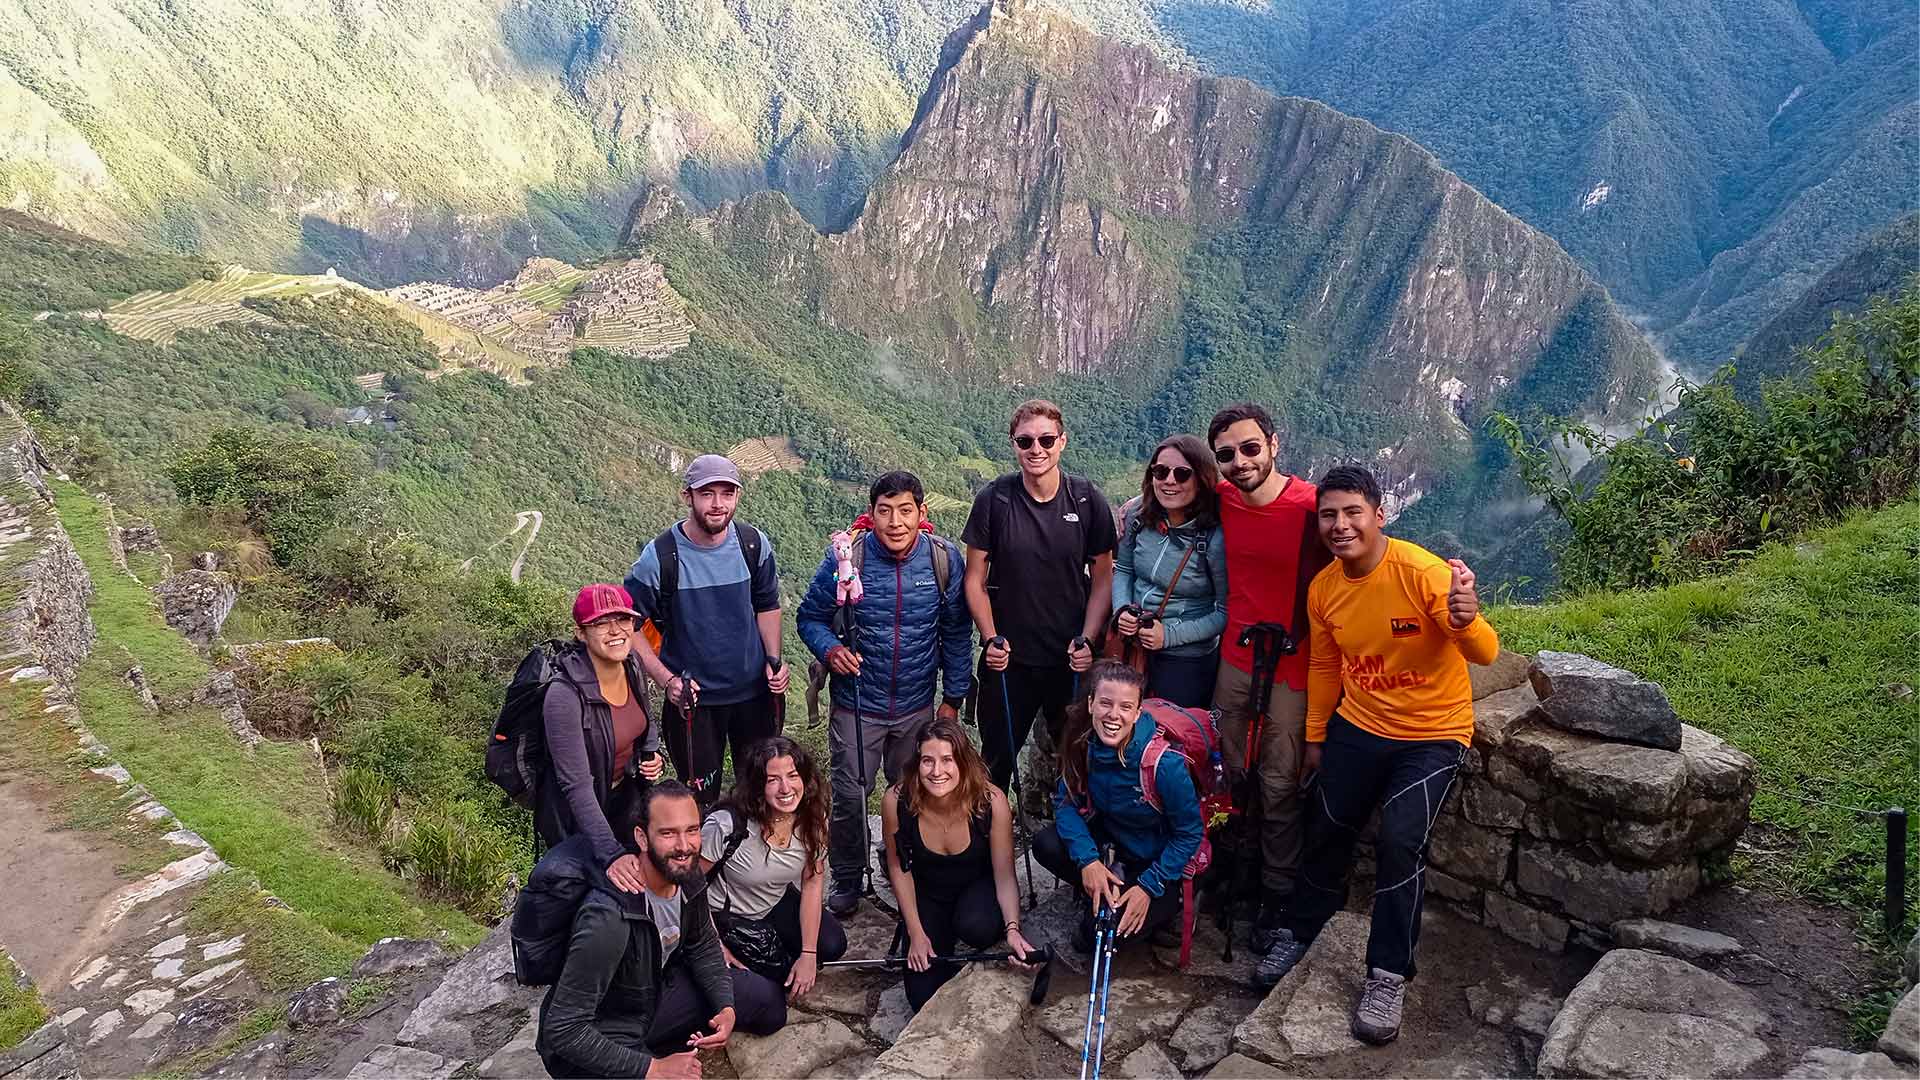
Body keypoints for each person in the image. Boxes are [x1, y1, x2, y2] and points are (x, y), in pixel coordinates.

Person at [1256, 465, 1497, 1043]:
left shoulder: (1420, 572)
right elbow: (1325, 665)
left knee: (1400, 841)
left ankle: (1388, 973)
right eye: (1328, 515)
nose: (1339, 526)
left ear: (1379, 514)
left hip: (1432, 733)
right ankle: (1301, 928)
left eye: (1351, 513)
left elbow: (1485, 652)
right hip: (1359, 724)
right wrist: (1316, 738)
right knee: (1326, 826)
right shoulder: (1326, 590)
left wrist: (1466, 619)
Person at [796, 470, 973, 916]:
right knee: (851, 795)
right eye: (885, 510)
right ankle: (850, 878)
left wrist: (952, 698)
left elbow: (955, 632)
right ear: (871, 514)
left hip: (916, 705)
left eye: (905, 510)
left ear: (921, 514)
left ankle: (904, 867)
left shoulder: (943, 560)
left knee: (913, 792)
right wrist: (831, 649)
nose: (895, 521)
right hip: (857, 704)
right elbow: (809, 617)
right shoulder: (847, 559)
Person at [536, 781, 785, 1079]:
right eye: (668, 833)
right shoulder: (607, 918)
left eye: (692, 830)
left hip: (653, 995)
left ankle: (666, 1041)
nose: (684, 846)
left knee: (769, 1006)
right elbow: (563, 1028)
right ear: (642, 837)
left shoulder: (686, 874)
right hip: (605, 1026)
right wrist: (653, 1068)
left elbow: (703, 944)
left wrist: (725, 1006)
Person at [1205, 403, 1330, 954]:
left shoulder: (1311, 508)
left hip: (1295, 664)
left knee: (1279, 781)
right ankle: (1232, 869)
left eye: (1250, 448)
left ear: (1274, 444)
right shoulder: (1224, 500)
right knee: (1229, 771)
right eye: (1227, 454)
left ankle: (1278, 893)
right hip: (1235, 658)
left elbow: (1370, 550)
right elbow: (1164, 499)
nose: (1240, 462)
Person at [963, 398, 1118, 789]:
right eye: (1026, 441)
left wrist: (1089, 638)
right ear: (1013, 444)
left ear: (1062, 442)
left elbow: (1103, 577)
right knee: (994, 763)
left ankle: (1079, 846)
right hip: (1009, 659)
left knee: (1080, 759)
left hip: (1070, 657)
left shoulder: (1085, 500)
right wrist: (989, 637)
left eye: (1046, 440)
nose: (1037, 450)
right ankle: (990, 843)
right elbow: (974, 579)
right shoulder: (995, 500)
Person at [625, 454, 791, 807]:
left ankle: (757, 862)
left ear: (738, 497)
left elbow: (767, 605)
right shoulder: (661, 557)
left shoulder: (752, 545)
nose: (718, 504)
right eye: (707, 494)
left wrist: (773, 659)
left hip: (754, 694)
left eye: (727, 494)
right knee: (698, 799)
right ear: (687, 496)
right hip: (693, 702)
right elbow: (630, 626)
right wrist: (666, 680)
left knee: (762, 791)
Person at [1034, 661, 1204, 952]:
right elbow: (1066, 803)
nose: (1114, 715)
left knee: (1095, 938)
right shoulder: (1084, 745)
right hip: (1114, 846)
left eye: (1125, 707)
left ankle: (1167, 906)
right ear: (1090, 705)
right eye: (1105, 703)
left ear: (1138, 713)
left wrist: (1150, 886)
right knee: (1045, 844)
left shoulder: (1164, 766)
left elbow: (1189, 834)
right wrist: (1088, 861)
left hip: (1155, 861)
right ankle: (1101, 889)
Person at [880, 717, 1041, 1011]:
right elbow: (898, 868)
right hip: (927, 893)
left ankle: (963, 924)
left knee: (977, 928)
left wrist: (1013, 929)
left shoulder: (991, 802)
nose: (937, 771)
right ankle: (936, 931)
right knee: (922, 998)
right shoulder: (896, 800)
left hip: (977, 886)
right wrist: (915, 933)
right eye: (927, 761)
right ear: (917, 763)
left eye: (947, 760)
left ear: (963, 762)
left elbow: (1004, 875)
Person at [537, 583, 667, 888]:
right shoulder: (564, 695)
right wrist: (611, 855)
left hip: (624, 797)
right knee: (590, 892)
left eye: (622, 620)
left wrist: (651, 754)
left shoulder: (631, 663)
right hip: (577, 816)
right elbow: (577, 786)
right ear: (581, 633)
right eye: (600, 623)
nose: (615, 630)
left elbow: (645, 718)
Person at [699, 736, 846, 1004]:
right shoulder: (727, 825)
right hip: (725, 916)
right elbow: (688, 885)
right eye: (772, 779)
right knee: (769, 989)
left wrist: (809, 955)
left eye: (792, 775)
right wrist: (712, 946)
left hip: (773, 902)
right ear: (757, 786)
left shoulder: (813, 818)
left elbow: (812, 882)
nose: (785, 788)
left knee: (832, 944)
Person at [1109, 434, 1227, 708]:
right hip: (1133, 643)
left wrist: (1169, 636)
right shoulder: (1138, 515)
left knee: (1169, 737)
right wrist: (1123, 609)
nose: (1169, 481)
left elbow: (1224, 612)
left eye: (1182, 474)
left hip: (1186, 658)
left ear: (1201, 478)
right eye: (1160, 472)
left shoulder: (1214, 538)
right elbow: (1124, 569)